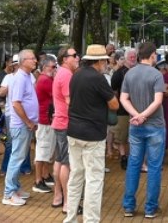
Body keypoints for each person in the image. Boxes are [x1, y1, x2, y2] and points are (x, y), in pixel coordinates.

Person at [61, 44, 118, 223]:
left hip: (74, 132)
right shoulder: (98, 78)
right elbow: (114, 104)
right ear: (100, 61)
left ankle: (70, 218)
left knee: (76, 176)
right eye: (106, 61)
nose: (107, 64)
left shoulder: (76, 75)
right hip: (93, 134)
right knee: (94, 179)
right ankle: (91, 220)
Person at [121, 42, 166, 218]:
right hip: (155, 125)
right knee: (154, 167)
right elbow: (158, 101)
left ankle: (129, 206)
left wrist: (136, 115)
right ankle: (150, 207)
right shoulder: (156, 75)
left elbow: (124, 98)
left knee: (134, 164)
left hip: (135, 126)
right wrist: (144, 116)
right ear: (153, 55)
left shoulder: (130, 73)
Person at [2, 49, 39, 207]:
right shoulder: (19, 79)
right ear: (23, 61)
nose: (35, 61)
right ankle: (8, 193)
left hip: (25, 124)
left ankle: (15, 188)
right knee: (16, 158)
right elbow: (16, 103)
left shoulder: (26, 77)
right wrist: (28, 121)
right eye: (32, 59)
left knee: (19, 157)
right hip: (21, 125)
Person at [51, 47, 78, 212]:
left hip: (60, 122)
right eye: (74, 55)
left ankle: (58, 196)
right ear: (64, 59)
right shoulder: (67, 75)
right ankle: (68, 202)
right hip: (66, 123)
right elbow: (70, 102)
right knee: (66, 163)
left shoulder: (61, 73)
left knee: (60, 160)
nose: (77, 58)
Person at [34, 55, 59, 194]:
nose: (55, 69)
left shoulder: (46, 79)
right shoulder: (45, 80)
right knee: (42, 151)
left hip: (47, 119)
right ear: (45, 68)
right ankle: (38, 180)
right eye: (53, 67)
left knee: (47, 150)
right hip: (44, 120)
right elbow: (57, 93)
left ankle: (44, 174)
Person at [111, 48, 137, 170]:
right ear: (125, 58)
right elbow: (114, 92)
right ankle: (123, 157)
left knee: (135, 136)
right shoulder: (118, 74)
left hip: (138, 109)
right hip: (122, 110)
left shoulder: (138, 71)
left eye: (134, 56)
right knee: (122, 136)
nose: (132, 58)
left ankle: (134, 157)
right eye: (130, 56)